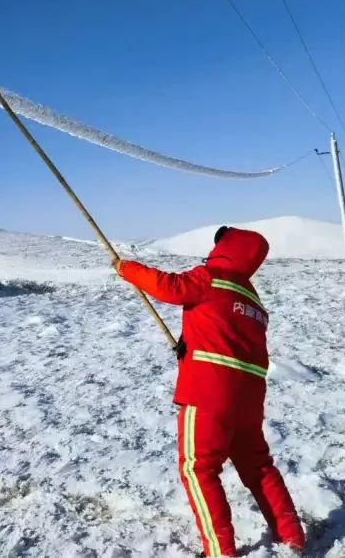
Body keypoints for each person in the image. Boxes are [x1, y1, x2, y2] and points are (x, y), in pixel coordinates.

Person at [113, 225, 305, 557]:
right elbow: (226, 338)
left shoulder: (210, 277)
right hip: (249, 398)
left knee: (198, 468)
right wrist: (191, 345)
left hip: (208, 392)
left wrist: (125, 268)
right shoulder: (253, 301)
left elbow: (169, 287)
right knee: (258, 465)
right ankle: (292, 536)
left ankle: (220, 550)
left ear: (227, 249)